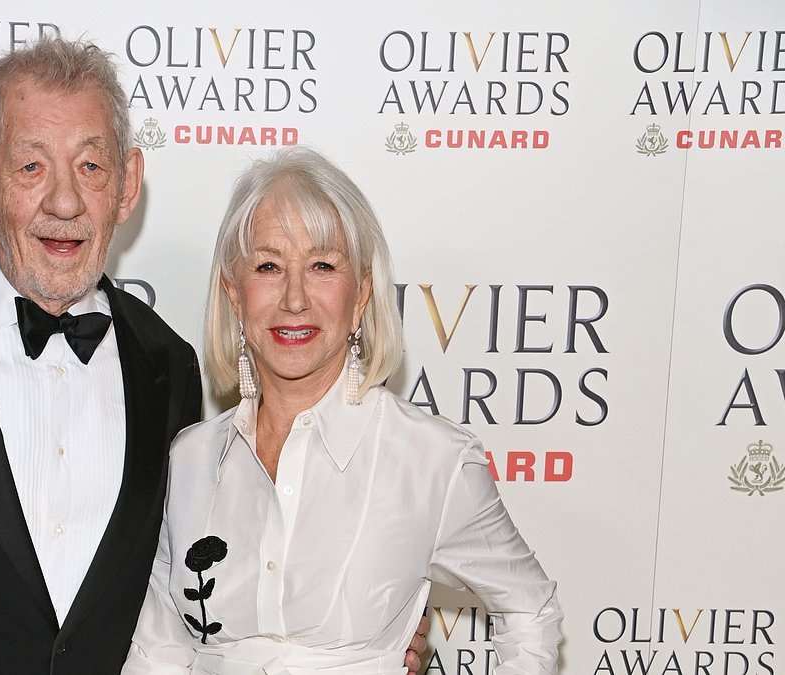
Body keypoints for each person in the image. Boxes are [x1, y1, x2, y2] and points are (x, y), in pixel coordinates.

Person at [0, 39, 426, 674]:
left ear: (127, 185)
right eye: (31, 165)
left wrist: (370, 630)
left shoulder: (167, 366)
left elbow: (205, 582)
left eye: (91, 166)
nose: (65, 200)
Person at [122, 147, 563, 674]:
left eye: (323, 266)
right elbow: (159, 650)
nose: (294, 298)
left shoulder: (431, 460)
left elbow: (529, 609)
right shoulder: (190, 459)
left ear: (360, 297)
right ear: (234, 295)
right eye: (268, 266)